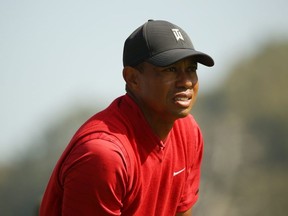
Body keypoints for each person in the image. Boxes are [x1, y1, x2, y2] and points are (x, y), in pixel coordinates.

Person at [39, 19, 214, 216]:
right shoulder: (104, 156)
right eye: (170, 69)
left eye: (191, 69)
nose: (186, 82)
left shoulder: (187, 132)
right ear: (132, 78)